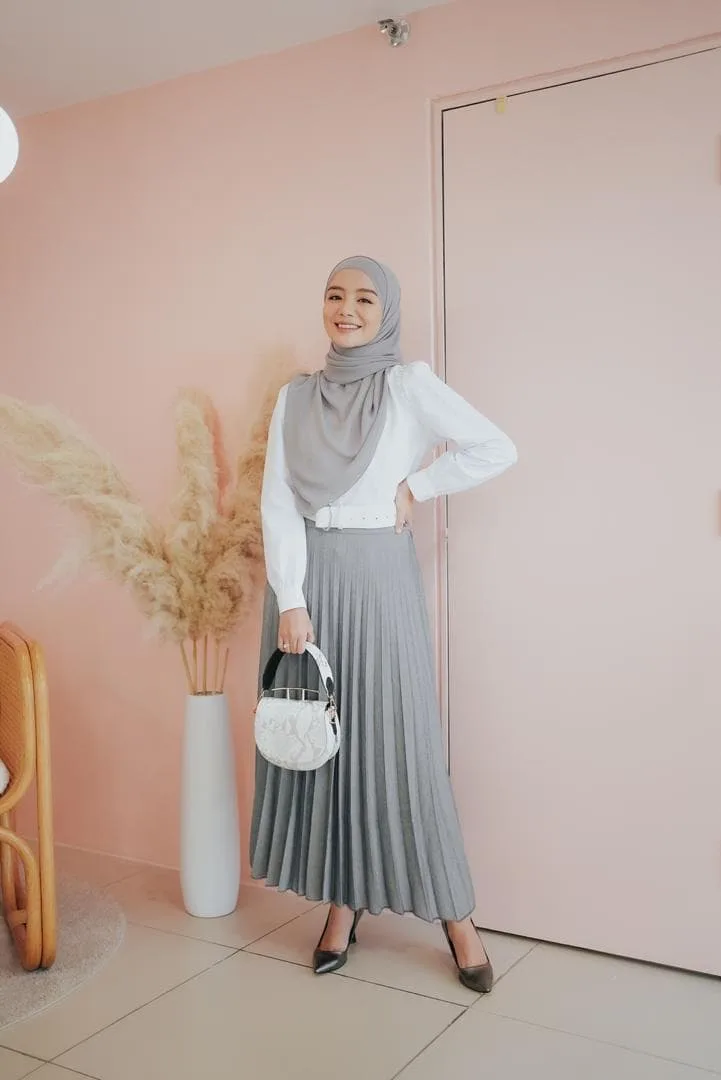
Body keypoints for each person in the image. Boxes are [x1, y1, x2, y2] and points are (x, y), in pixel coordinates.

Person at [250, 255, 517, 993]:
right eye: (334, 295)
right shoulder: (295, 398)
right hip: (308, 588)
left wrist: (420, 485)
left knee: (400, 748)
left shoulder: (406, 385)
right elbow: (277, 500)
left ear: (386, 311)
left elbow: (495, 447)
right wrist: (291, 596)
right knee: (328, 755)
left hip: (379, 579)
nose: (347, 309)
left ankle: (457, 917)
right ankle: (343, 906)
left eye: (364, 299)